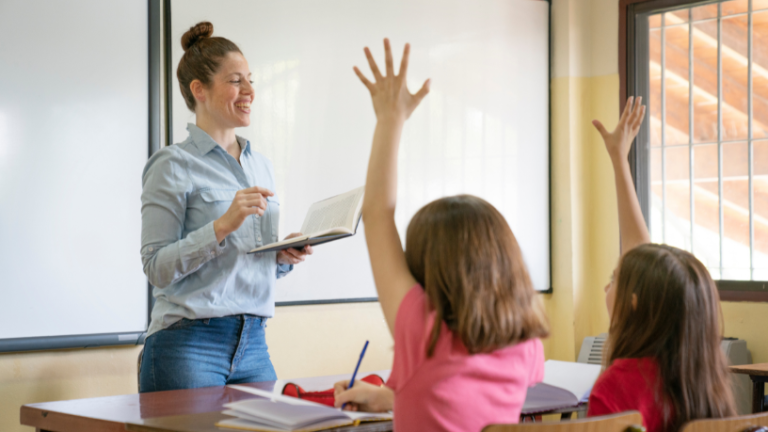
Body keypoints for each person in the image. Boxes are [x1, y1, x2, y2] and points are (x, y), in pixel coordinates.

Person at [332, 39, 550, 432]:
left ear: (425, 268)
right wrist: (391, 399)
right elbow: (463, 403)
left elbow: (377, 214)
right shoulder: (526, 345)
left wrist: (390, 118)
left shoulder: (423, 328)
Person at [138, 22, 312, 392]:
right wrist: (222, 226)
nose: (250, 90)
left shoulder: (260, 165)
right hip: (188, 345)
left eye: (250, 80)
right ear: (199, 90)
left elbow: (245, 262)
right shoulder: (171, 164)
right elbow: (156, 268)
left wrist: (281, 257)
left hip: (254, 344)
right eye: (236, 81)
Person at [587, 97, 736, 431]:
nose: (606, 286)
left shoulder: (617, 386)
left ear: (635, 302)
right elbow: (647, 265)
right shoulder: (704, 382)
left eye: (614, 279)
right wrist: (619, 162)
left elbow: (643, 265)